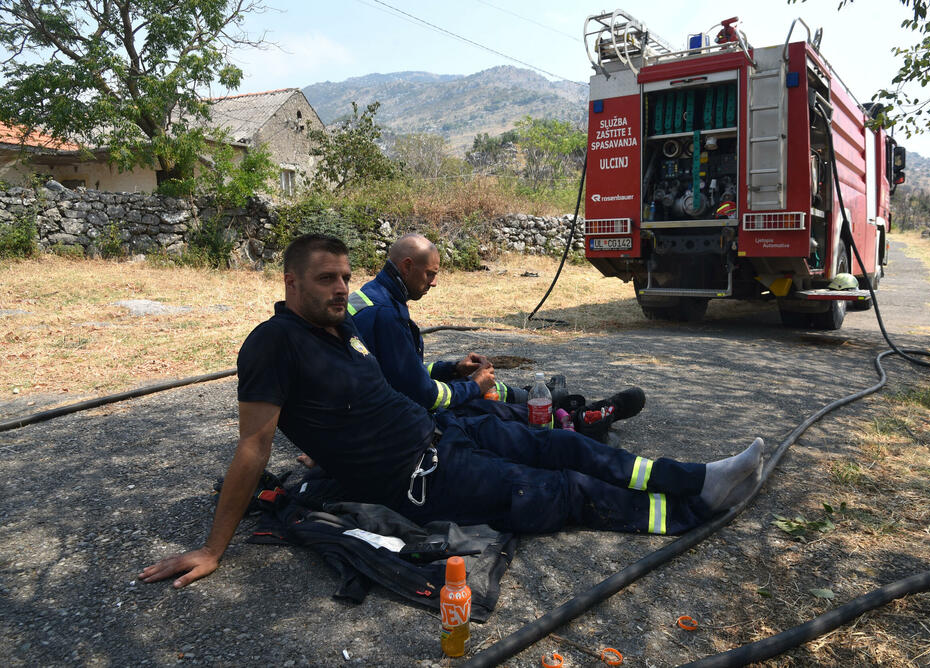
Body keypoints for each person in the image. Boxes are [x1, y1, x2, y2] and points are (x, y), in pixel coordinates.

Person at [140, 234, 763, 589]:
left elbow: (364, 397)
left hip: (444, 434)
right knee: (560, 490)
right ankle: (689, 511)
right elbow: (253, 444)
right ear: (290, 283)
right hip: (422, 478)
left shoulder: (338, 329)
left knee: (563, 444)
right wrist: (214, 549)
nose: (341, 288)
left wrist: (329, 447)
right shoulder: (272, 342)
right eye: (326, 278)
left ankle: (697, 477)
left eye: (345, 276)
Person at [346, 232, 645, 435]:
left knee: (474, 388)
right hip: (390, 424)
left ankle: (542, 400)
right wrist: (473, 386)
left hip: (381, 406)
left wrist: (454, 369)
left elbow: (401, 372)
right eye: (430, 274)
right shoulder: (386, 314)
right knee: (482, 407)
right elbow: (425, 395)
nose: (434, 283)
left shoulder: (371, 296)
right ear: (407, 266)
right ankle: (579, 422)